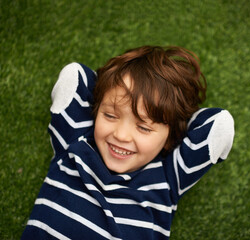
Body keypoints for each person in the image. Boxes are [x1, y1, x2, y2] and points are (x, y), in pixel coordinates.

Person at [21, 46, 234, 239]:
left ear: (169, 137)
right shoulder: (76, 141)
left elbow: (219, 126)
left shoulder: (168, 178)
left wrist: (176, 116)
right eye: (110, 116)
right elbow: (75, 74)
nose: (122, 135)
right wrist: (111, 81)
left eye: (143, 127)